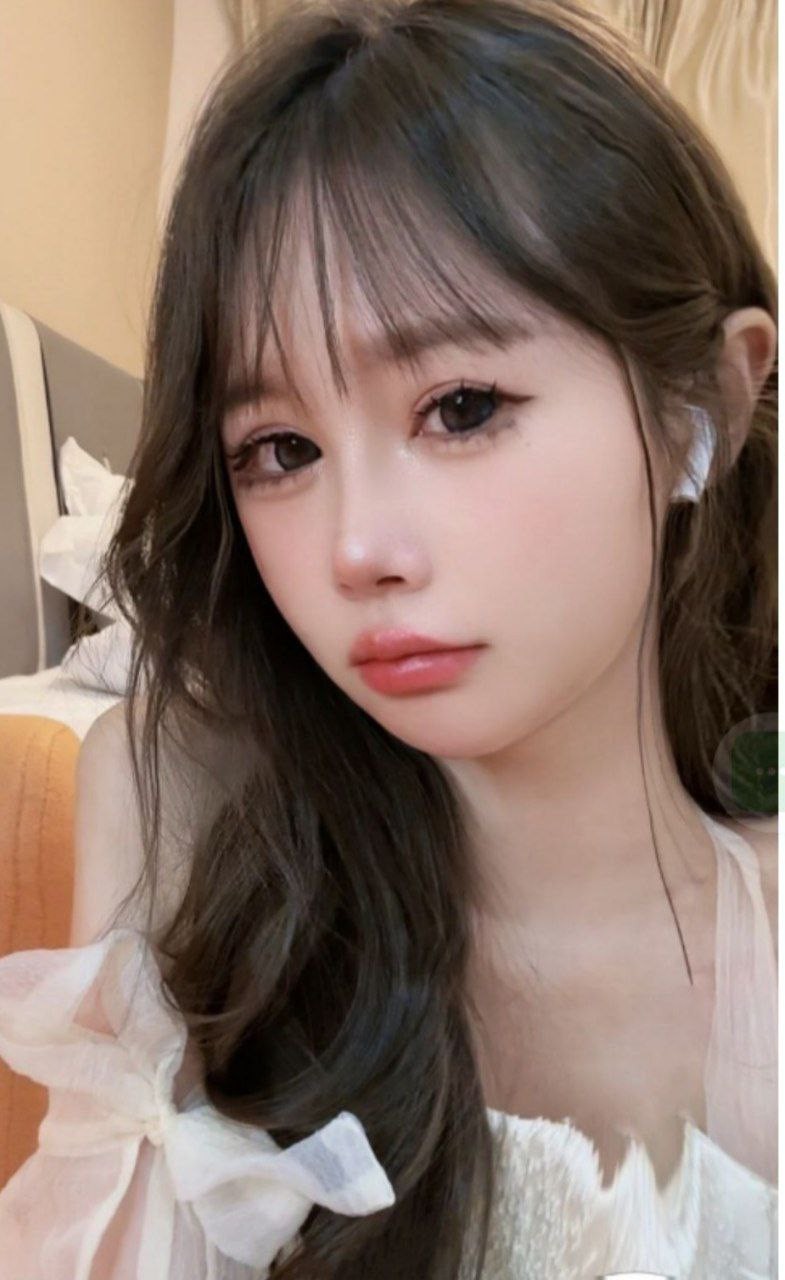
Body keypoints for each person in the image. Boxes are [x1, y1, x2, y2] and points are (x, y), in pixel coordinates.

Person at [0, 0, 777, 1275]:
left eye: (460, 407)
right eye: (279, 449)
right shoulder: (228, 891)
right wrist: (145, 800)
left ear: (702, 403)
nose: (356, 547)